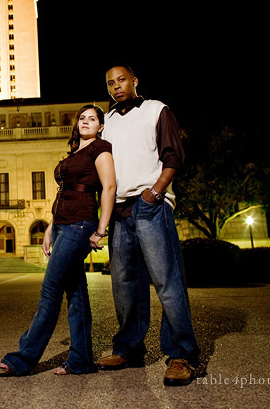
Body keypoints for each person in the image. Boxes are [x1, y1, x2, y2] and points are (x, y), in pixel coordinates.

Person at [0, 104, 116, 376]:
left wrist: (101, 229)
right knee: (76, 293)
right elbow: (64, 191)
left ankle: (23, 358)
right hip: (62, 224)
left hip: (81, 224)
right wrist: (50, 226)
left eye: (92, 119)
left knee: (50, 290)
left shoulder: (101, 149)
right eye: (82, 118)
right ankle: (81, 360)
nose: (86, 122)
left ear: (101, 125)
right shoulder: (74, 153)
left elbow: (109, 187)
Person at [97, 64, 200, 386]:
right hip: (119, 212)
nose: (116, 86)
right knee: (124, 287)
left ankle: (181, 354)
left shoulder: (157, 110)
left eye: (121, 80)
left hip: (150, 207)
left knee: (167, 283)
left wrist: (156, 192)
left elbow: (174, 155)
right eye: (110, 83)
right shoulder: (108, 121)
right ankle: (128, 349)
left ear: (135, 80)